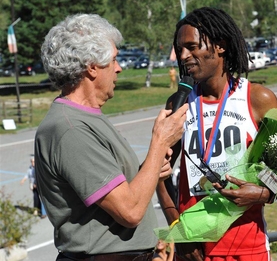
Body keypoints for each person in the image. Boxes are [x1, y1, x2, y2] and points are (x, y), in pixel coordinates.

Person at [35, 13, 188, 261]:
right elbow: (129, 211)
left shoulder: (84, 118)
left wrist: (149, 171)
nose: (119, 68)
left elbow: (120, 194)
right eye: (114, 59)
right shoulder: (70, 129)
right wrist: (159, 142)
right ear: (92, 66)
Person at [156, 7, 277, 261]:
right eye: (180, 49)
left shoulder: (259, 99)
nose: (183, 56)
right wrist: (177, 230)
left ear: (221, 46)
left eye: (191, 46)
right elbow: (157, 173)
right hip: (193, 248)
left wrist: (266, 193)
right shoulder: (178, 103)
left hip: (246, 245)